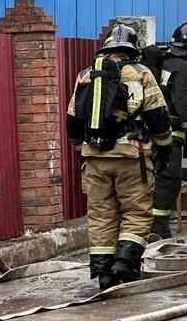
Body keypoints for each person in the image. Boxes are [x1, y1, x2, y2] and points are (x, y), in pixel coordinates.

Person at [65, 24, 172, 289]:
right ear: (132, 49)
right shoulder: (142, 73)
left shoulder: (85, 76)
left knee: (101, 215)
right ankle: (125, 263)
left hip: (95, 158)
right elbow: (158, 116)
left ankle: (102, 271)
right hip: (131, 156)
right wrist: (164, 146)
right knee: (136, 212)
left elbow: (72, 121)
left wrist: (82, 149)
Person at [147, 21, 187, 239]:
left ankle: (153, 225)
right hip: (172, 134)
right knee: (169, 181)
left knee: (156, 180)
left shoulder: (164, 60)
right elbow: (185, 104)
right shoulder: (182, 66)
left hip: (154, 130)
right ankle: (158, 228)